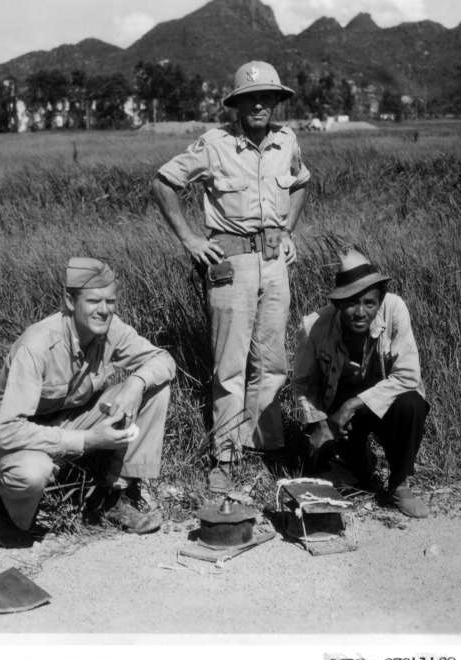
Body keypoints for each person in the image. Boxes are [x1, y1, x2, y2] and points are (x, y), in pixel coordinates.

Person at [152, 61, 310, 493]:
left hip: (276, 263)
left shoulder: (286, 141)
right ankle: (225, 455)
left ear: (277, 102)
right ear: (237, 104)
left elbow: (300, 183)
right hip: (230, 264)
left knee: (272, 361)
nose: (258, 105)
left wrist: (289, 231)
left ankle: (267, 446)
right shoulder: (214, 144)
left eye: (266, 97)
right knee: (229, 365)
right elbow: (164, 183)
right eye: (249, 99)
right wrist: (189, 240)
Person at [0, 257, 176, 547]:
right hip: (16, 434)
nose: (103, 311)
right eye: (93, 301)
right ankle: (0, 498)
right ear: (69, 300)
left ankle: (112, 497)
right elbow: (11, 430)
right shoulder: (38, 345)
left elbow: (164, 360)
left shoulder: (110, 329)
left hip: (69, 419)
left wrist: (135, 384)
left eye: (110, 301)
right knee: (31, 475)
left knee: (155, 388)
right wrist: (88, 439)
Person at [292, 249, 431, 519]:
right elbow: (301, 385)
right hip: (337, 409)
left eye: (369, 303)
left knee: (411, 404)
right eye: (352, 303)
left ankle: (399, 484)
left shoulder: (394, 308)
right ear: (338, 304)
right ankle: (358, 461)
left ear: (380, 300)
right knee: (326, 482)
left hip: (383, 401)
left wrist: (353, 405)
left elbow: (407, 376)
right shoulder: (313, 327)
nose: (360, 312)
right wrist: (320, 425)